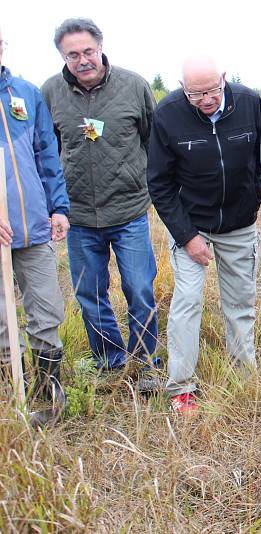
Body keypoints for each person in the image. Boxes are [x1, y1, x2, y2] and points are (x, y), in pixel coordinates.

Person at [41, 18, 159, 389]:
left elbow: (154, 143)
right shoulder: (50, 93)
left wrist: (150, 191)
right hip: (78, 216)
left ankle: (145, 363)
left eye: (88, 51)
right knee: (89, 294)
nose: (82, 60)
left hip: (128, 212)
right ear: (63, 56)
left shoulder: (134, 86)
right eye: (72, 54)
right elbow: (47, 151)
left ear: (101, 46)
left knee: (139, 288)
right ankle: (110, 362)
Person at [147, 56, 261, 415]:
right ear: (183, 88)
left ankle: (245, 378)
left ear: (223, 79)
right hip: (192, 224)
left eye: (212, 90)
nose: (206, 99)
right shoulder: (167, 115)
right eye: (195, 94)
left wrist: (253, 197)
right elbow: (160, 183)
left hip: (239, 224)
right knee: (187, 302)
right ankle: (182, 388)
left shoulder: (249, 104)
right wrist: (187, 236)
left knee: (241, 304)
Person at [0, 29, 70, 416]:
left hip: (33, 230)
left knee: (46, 311)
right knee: (1, 318)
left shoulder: (25, 95)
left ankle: (47, 392)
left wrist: (58, 208)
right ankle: (13, 394)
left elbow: (47, 156)